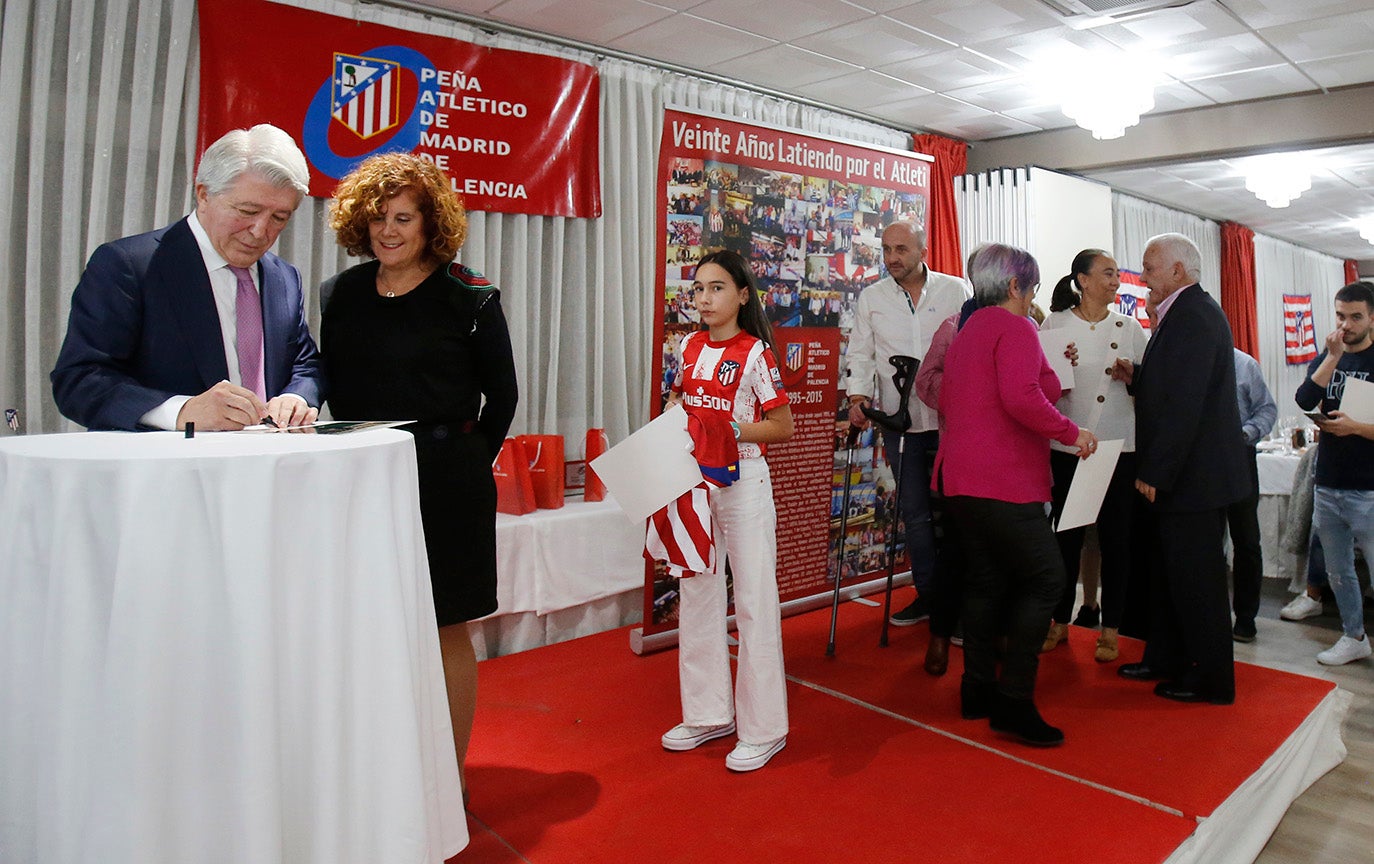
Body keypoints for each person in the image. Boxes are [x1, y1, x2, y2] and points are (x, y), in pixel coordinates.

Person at [319, 153, 518, 796]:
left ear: (432, 224)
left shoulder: (470, 295)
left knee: (443, 624)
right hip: (362, 472)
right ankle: (382, 762)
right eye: (377, 219)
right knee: (371, 619)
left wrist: (460, 460)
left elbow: (504, 396)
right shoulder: (342, 294)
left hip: (446, 478)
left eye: (403, 218)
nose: (389, 232)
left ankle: (447, 776)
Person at [51, 124, 322, 430]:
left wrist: (297, 398)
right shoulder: (130, 265)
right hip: (167, 469)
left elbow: (305, 363)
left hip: (267, 468)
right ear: (203, 194)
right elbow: (79, 380)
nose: (261, 231)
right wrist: (181, 412)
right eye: (247, 210)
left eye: (279, 217)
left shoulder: (284, 278)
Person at [934, 243, 1097, 747]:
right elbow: (1024, 397)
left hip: (960, 480)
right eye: (1031, 288)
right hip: (1003, 481)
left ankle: (978, 688)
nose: (1033, 298)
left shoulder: (969, 330)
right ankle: (1014, 700)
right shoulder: (1015, 326)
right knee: (1046, 580)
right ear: (1014, 287)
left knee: (985, 583)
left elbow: (1035, 385)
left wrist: (1046, 361)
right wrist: (1074, 434)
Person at [660, 249, 794, 773]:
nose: (705, 298)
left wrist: (728, 431)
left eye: (717, 288)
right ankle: (708, 713)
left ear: (742, 295)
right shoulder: (689, 347)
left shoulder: (756, 352)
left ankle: (765, 729)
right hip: (694, 485)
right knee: (697, 593)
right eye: (698, 289)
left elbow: (781, 426)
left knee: (756, 601)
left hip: (744, 484)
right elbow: (678, 404)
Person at [1116, 233, 1249, 705]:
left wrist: (1156, 470)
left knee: (1198, 583)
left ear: (1177, 271)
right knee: (1169, 575)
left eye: (1150, 268)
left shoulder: (1192, 315)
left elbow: (1185, 405)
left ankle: (1211, 679)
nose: (1143, 277)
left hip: (1191, 479)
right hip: (1188, 475)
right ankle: (1166, 656)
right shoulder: (1187, 312)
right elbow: (1173, 387)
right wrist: (1140, 376)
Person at [845, 220, 971, 627]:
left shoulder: (956, 290)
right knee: (915, 512)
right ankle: (929, 597)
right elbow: (860, 354)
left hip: (953, 421)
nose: (891, 258)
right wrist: (858, 397)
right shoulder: (872, 298)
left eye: (900, 249)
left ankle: (960, 598)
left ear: (923, 251)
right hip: (901, 425)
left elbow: (971, 347)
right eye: (886, 250)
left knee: (957, 513)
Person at [1040, 250, 1148, 663]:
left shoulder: (1130, 327)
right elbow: (1043, 385)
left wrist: (1133, 374)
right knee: (1066, 540)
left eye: (1116, 274)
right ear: (1082, 280)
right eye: (1107, 273)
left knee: (1116, 541)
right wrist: (1057, 367)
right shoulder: (1056, 324)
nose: (1115, 281)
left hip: (1117, 448)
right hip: (1070, 448)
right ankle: (1059, 623)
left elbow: (1150, 388)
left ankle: (1112, 628)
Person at [1295, 281, 1374, 666]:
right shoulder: (1330, 355)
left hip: (1369, 486)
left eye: (1356, 317)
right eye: (1341, 316)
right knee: (1339, 570)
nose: (1346, 325)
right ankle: (1353, 635)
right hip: (1329, 481)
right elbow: (1305, 399)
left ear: (1372, 317)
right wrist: (1332, 356)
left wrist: (1357, 428)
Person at [1228, 347, 1277, 643]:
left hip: (1240, 456)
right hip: (1203, 460)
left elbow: (1267, 409)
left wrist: (1246, 432)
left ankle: (1246, 616)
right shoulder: (1191, 359)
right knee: (1207, 540)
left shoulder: (1245, 365)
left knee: (1245, 539)